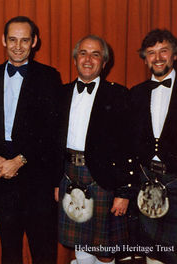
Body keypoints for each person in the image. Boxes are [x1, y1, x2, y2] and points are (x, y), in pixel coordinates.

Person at [0, 16, 61, 264]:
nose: (18, 46)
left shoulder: (49, 77)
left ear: (35, 42)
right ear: (3, 41)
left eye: (25, 40)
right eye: (13, 39)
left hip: (36, 174)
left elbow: (52, 132)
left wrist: (20, 160)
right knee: (10, 250)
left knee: (43, 250)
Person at [56, 35, 136, 264]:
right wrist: (55, 181)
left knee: (104, 250)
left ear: (104, 62)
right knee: (80, 243)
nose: (88, 59)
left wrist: (123, 193)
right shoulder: (61, 93)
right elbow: (54, 144)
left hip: (103, 180)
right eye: (83, 53)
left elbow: (127, 149)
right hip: (68, 175)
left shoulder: (119, 95)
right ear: (75, 59)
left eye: (95, 54)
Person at [130, 29, 177, 264]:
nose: (157, 58)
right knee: (151, 255)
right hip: (145, 183)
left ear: (174, 55)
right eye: (151, 53)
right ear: (145, 58)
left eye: (163, 51)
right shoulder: (136, 93)